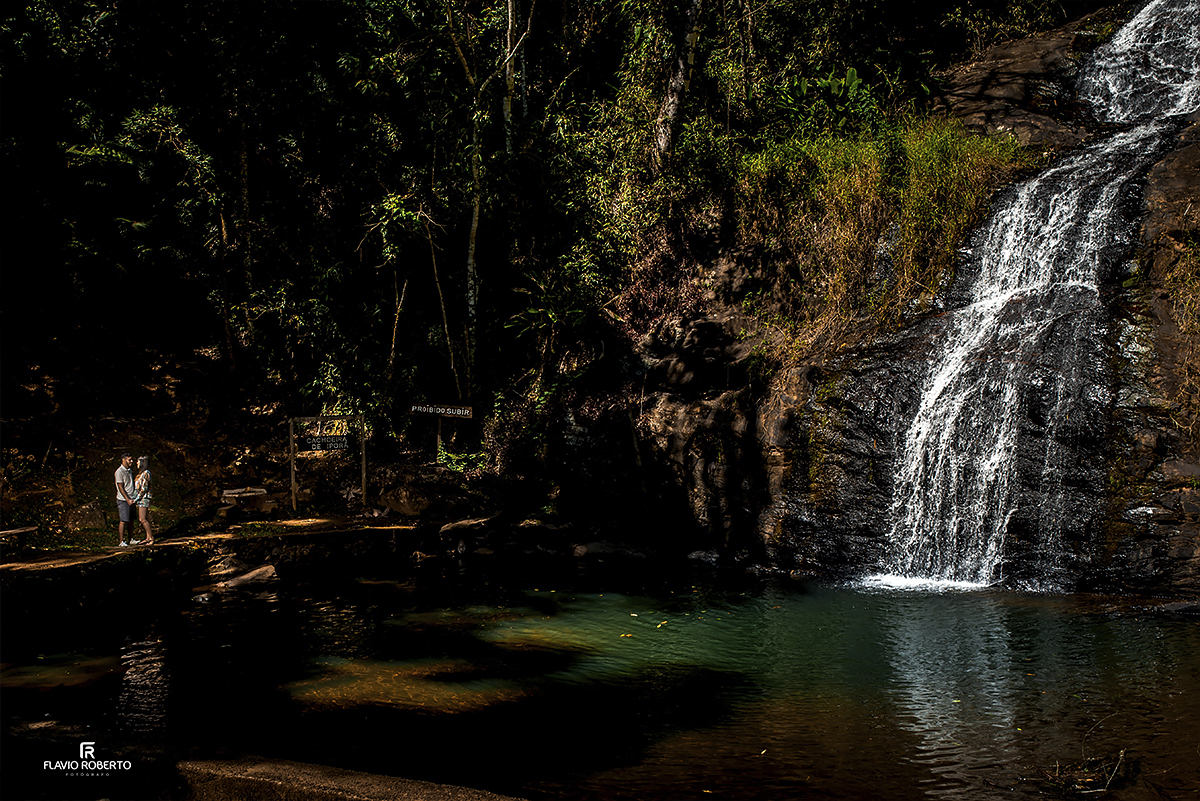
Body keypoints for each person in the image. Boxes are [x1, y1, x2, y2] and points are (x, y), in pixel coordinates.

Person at [115, 453, 137, 546]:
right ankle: (121, 541)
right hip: (123, 499)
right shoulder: (119, 472)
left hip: (131, 498)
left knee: (131, 519)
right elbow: (120, 486)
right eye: (129, 460)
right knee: (123, 520)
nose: (131, 461)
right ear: (123, 460)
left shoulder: (129, 470)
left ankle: (131, 538)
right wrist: (127, 499)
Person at [133, 455, 155, 545]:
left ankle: (151, 538)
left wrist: (136, 498)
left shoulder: (146, 473)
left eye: (138, 461)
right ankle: (147, 537)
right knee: (145, 518)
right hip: (140, 498)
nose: (136, 463)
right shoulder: (141, 474)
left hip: (144, 498)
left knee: (142, 519)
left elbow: (144, 488)